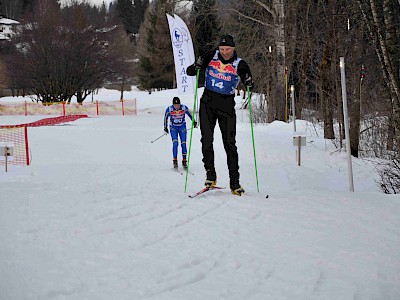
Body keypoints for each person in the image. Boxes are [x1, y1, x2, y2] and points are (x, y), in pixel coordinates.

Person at [186, 34, 253, 196]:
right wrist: (197, 66)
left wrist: (248, 82)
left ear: (233, 48)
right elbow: (190, 72)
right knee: (206, 140)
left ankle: (235, 182)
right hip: (207, 103)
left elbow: (249, 80)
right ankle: (210, 174)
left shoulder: (240, 64)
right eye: (222, 49)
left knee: (230, 144)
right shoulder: (210, 56)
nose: (224, 52)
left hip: (226, 105)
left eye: (228, 49)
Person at [164, 97, 197, 170]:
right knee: (175, 143)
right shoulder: (169, 109)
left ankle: (184, 161)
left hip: (182, 127)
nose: (177, 106)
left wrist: (194, 122)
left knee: (183, 143)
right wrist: (165, 127)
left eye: (178, 105)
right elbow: (165, 117)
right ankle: (175, 160)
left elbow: (190, 115)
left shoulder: (184, 108)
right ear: (173, 105)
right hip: (173, 128)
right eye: (175, 105)